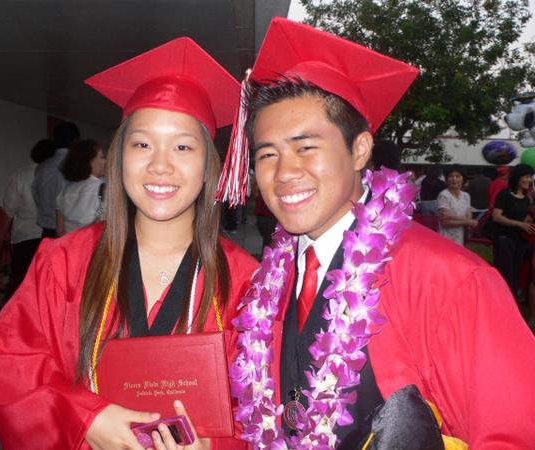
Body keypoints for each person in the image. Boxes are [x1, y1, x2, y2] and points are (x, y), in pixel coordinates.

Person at [225, 18, 535, 449]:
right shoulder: (266, 284)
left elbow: (515, 434)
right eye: (267, 155)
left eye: (306, 147)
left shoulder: (450, 280)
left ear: (359, 150)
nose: (284, 172)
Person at [0, 37, 258, 450]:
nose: (160, 164)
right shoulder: (64, 262)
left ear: (208, 165)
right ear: (118, 157)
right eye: (142, 144)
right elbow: (10, 363)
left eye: (183, 146)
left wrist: (214, 446)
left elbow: (260, 407)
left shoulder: (246, 282)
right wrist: (82, 418)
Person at [2, 139, 56, 300]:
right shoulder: (57, 174)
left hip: (24, 235)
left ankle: (14, 311)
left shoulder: (20, 175)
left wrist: (4, 232)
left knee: (20, 279)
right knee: (46, 281)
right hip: (50, 234)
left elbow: (9, 208)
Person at [491, 163, 535, 299]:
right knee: (505, 274)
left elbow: (524, 217)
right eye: (526, 177)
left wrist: (527, 220)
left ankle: (511, 302)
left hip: (519, 242)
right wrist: (520, 224)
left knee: (516, 274)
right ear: (517, 177)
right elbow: (496, 216)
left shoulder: (527, 198)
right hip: (504, 241)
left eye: (530, 177)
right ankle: (499, 301)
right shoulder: (505, 194)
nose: (529, 180)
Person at [32, 121, 81, 238]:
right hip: (69, 231)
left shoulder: (41, 167)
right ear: (76, 141)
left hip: (46, 230)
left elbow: (36, 195)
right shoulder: (79, 165)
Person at [56, 139, 106, 236]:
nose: (105, 161)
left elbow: (59, 230)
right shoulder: (101, 188)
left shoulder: (66, 189)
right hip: (90, 243)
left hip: (69, 242)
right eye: (101, 157)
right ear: (89, 162)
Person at [436, 164, 477, 245]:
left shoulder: (466, 196)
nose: (454, 179)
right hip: (446, 238)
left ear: (463, 179)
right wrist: (467, 221)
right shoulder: (444, 195)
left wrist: (451, 216)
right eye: (451, 176)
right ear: (446, 179)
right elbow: (445, 223)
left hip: (460, 238)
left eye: (458, 176)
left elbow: (469, 218)